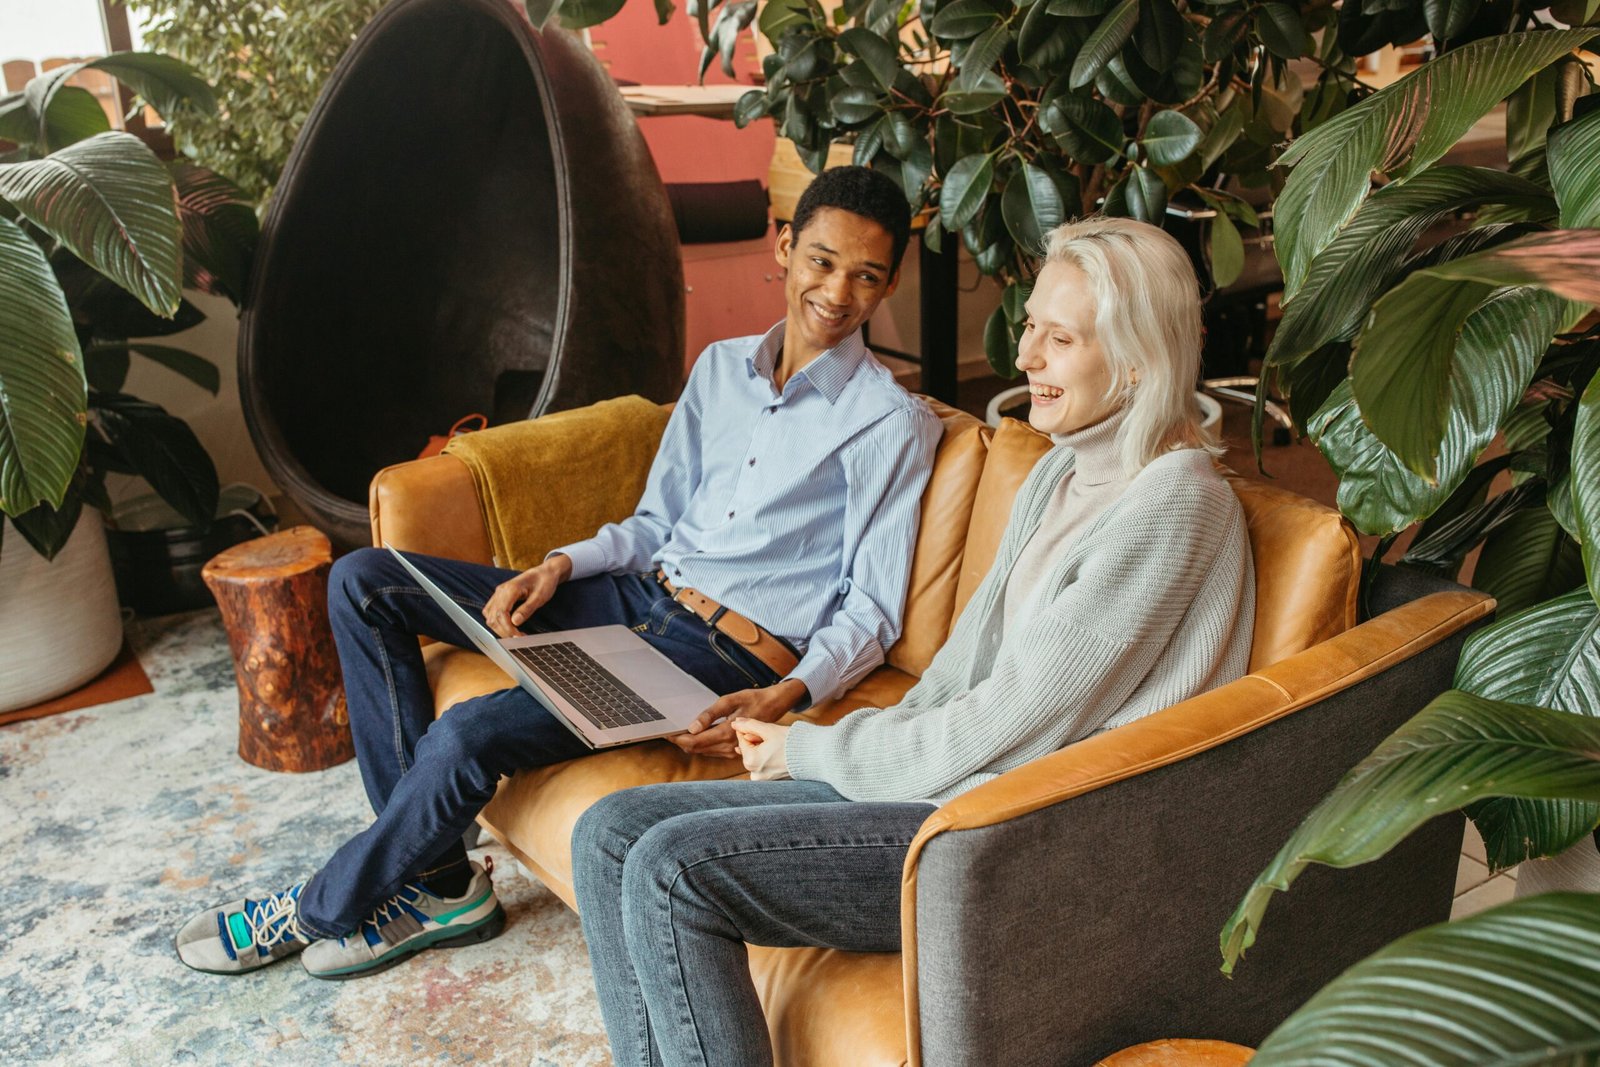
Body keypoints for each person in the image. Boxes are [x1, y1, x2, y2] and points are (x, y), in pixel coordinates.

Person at [174, 165, 942, 980]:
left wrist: (786, 695)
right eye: (822, 260)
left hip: (713, 655)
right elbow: (655, 524)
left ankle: (315, 908)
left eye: (867, 275)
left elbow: (872, 610)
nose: (838, 292)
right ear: (785, 247)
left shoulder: (891, 422)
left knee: (470, 733)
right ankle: (442, 885)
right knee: (366, 581)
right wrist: (558, 564)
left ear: (889, 282)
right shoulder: (721, 370)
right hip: (631, 595)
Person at [570, 215, 1258, 1067]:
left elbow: (1009, 721)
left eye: (1060, 339)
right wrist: (845, 743)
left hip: (1025, 835)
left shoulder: (1175, 506)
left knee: (673, 867)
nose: (1025, 357)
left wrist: (811, 750)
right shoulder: (1061, 471)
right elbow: (959, 676)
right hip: (955, 795)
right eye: (1030, 326)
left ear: (1138, 360)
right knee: (609, 832)